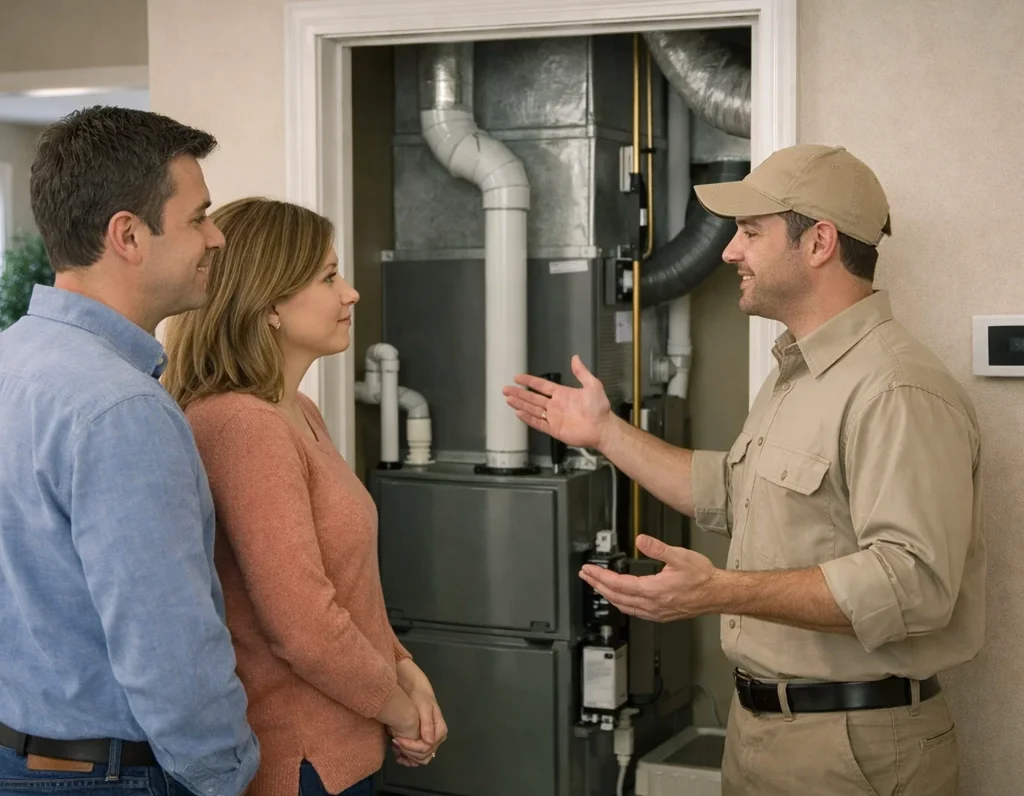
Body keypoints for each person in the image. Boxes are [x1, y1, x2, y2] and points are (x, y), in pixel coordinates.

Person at [504, 144, 984, 796]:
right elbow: (729, 493)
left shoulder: (895, 388)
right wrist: (606, 434)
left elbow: (916, 584)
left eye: (751, 232)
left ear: (818, 243)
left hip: (854, 748)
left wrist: (721, 591)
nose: (729, 252)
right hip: (760, 734)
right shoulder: (796, 374)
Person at [0, 107, 259, 795]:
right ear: (128, 236)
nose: (218, 236)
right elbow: (169, 649)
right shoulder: (121, 409)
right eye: (200, 216)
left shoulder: (10, 363)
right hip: (107, 777)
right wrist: (225, 775)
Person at [161, 197, 447, 796]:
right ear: (268, 304)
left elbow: (349, 587)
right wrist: (398, 710)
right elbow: (303, 625)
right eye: (328, 277)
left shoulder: (299, 413)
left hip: (342, 750)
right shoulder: (243, 428)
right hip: (297, 762)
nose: (351, 294)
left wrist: (405, 668)